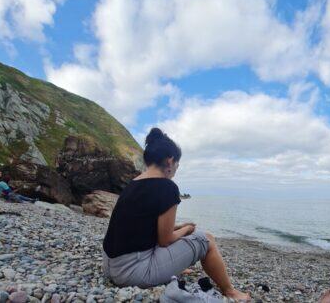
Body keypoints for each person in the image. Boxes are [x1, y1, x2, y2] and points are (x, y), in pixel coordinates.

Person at [102, 128, 250, 301]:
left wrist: (178, 228)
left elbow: (141, 227)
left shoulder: (133, 184)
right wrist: (186, 229)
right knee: (207, 239)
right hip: (133, 273)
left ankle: (172, 266)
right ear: (170, 161)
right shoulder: (167, 186)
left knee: (182, 235)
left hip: (110, 265)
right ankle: (231, 291)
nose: (176, 170)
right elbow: (165, 240)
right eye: (178, 165)